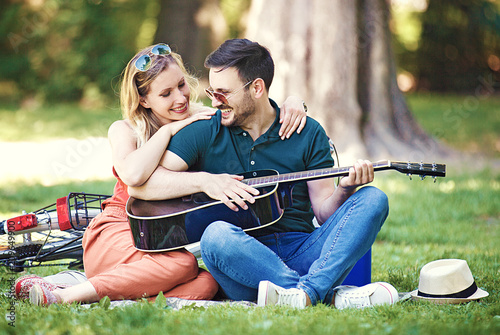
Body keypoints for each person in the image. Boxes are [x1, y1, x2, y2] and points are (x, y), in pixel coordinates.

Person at [15, 42, 307, 305]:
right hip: (118, 232)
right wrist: (168, 130)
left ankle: (101, 290)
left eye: (181, 85)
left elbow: (247, 106)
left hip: (161, 241)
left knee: (206, 283)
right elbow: (132, 175)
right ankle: (65, 296)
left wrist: (293, 103)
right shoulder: (125, 130)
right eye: (166, 93)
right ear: (144, 100)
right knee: (184, 266)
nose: (179, 98)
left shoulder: (198, 116)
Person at [130, 38, 399, 310]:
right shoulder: (204, 130)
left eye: (224, 93)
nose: (214, 101)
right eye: (212, 92)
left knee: (373, 199)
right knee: (216, 236)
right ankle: (321, 292)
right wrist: (205, 180)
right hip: (243, 261)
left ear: (257, 88)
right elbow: (143, 187)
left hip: (304, 250)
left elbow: (323, 213)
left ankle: (303, 294)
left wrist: (346, 189)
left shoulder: (307, 132)